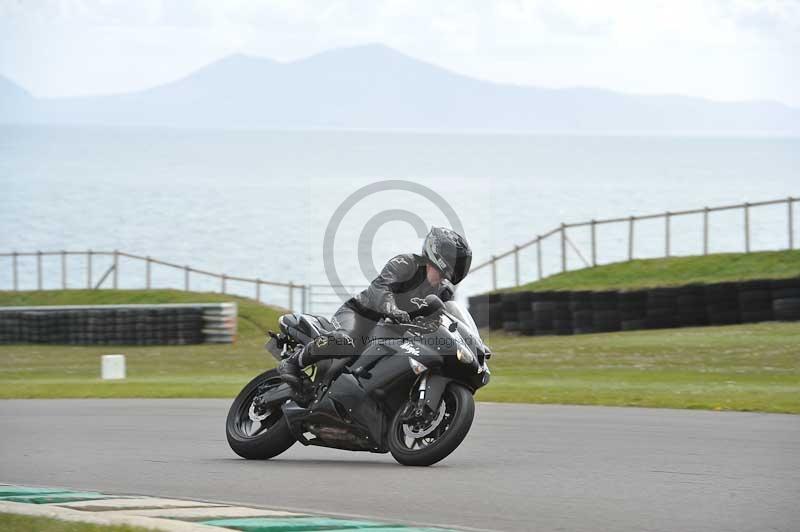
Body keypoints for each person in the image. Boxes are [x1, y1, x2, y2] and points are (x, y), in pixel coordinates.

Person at [278, 226, 472, 387]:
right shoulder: (406, 263)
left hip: (395, 332)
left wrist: (470, 341)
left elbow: (446, 320)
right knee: (346, 341)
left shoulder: (444, 292)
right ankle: (292, 363)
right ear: (437, 253)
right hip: (360, 315)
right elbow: (380, 288)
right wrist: (392, 310)